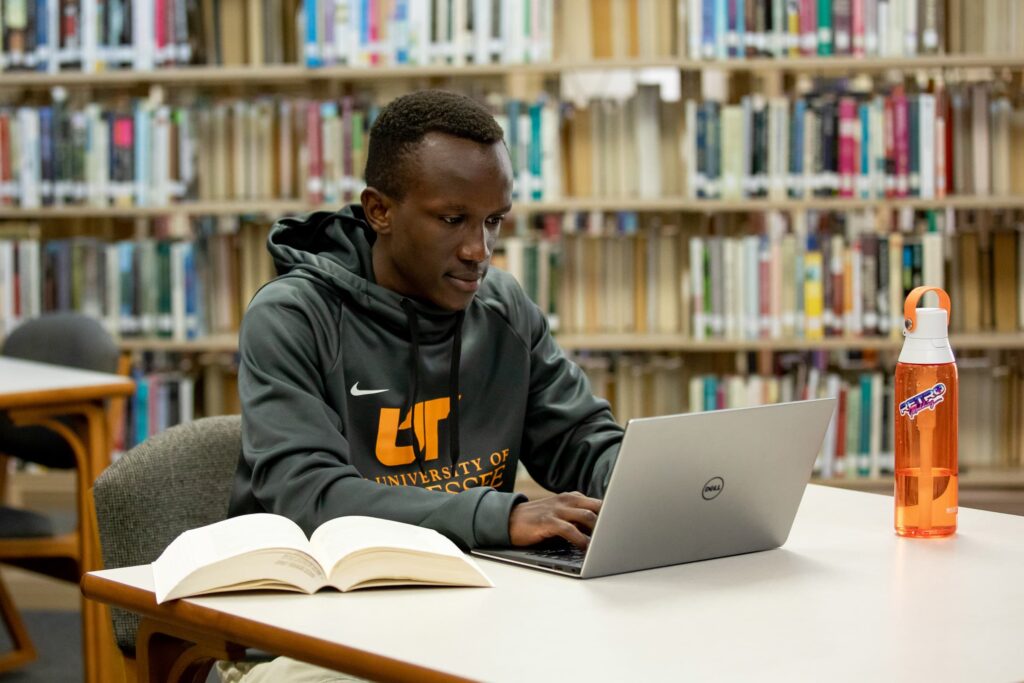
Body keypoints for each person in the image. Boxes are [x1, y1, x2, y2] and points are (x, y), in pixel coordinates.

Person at [223, 89, 623, 682]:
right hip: (318, 626)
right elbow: (311, 498)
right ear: (379, 210)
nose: (478, 251)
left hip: (474, 608)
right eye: (452, 219)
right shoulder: (292, 318)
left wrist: (646, 485)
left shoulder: (503, 308)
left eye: (493, 221)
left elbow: (580, 438)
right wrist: (498, 516)